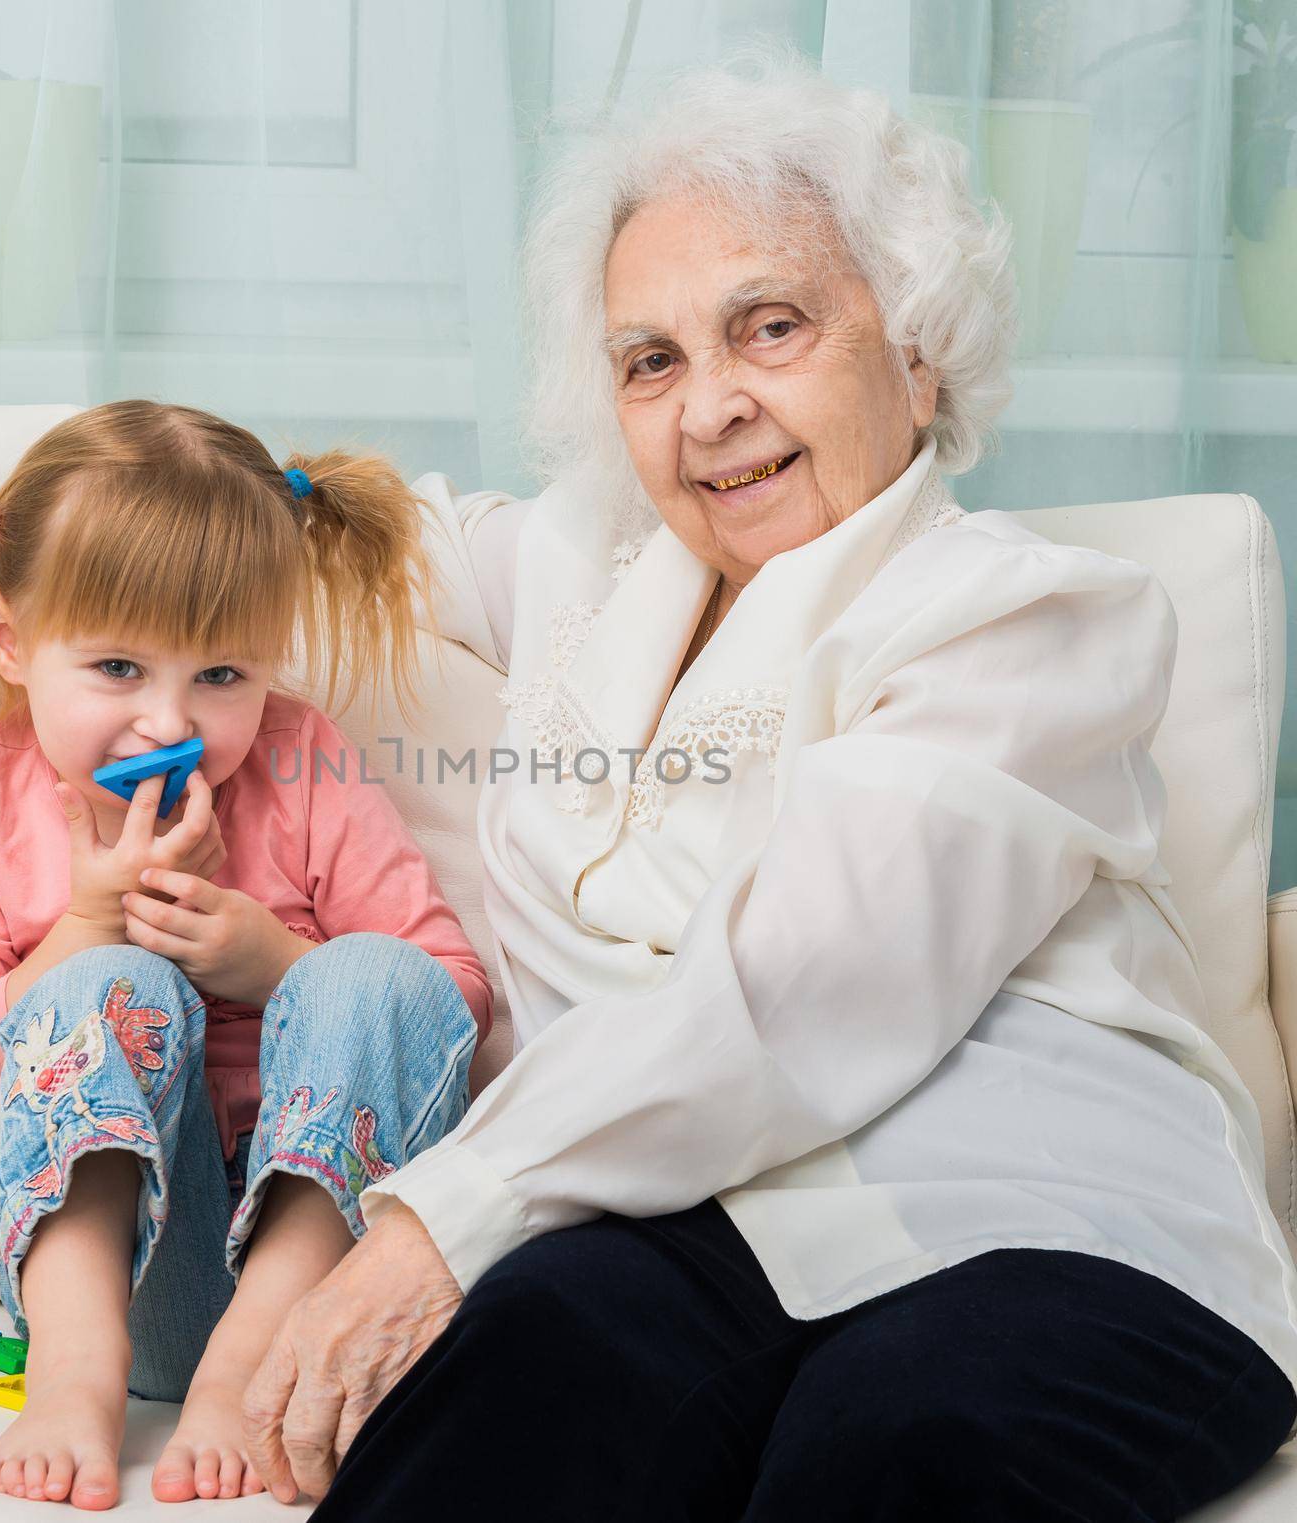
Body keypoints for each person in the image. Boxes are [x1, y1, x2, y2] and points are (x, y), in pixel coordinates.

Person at [236, 46, 1297, 1521]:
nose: (710, 406)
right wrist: (42, 551)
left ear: (915, 351)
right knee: (513, 1384)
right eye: (651, 359)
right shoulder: (576, 574)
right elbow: (309, 534)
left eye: (772, 326)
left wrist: (443, 1217)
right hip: (680, 1223)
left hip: (1037, 1220)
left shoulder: (1035, 616)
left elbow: (806, 979)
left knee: (892, 1446)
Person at [0, 400, 493, 1509]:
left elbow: (452, 1004)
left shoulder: (301, 763)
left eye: (222, 676)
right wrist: (85, 924)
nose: (168, 722)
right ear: (11, 640)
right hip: (128, 1280)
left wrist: (275, 963)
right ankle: (74, 1374)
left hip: (324, 1279)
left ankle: (249, 1364)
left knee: (377, 969)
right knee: (107, 983)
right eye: (114, 667)